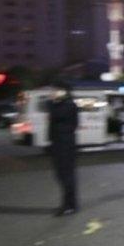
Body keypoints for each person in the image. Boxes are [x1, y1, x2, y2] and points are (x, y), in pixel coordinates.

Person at [48, 80, 79, 216]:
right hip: (58, 143)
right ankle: (68, 204)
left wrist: (53, 102)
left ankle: (70, 205)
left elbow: (56, 114)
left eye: (55, 90)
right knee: (60, 175)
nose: (52, 93)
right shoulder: (61, 104)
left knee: (66, 176)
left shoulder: (68, 105)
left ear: (64, 92)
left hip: (65, 144)